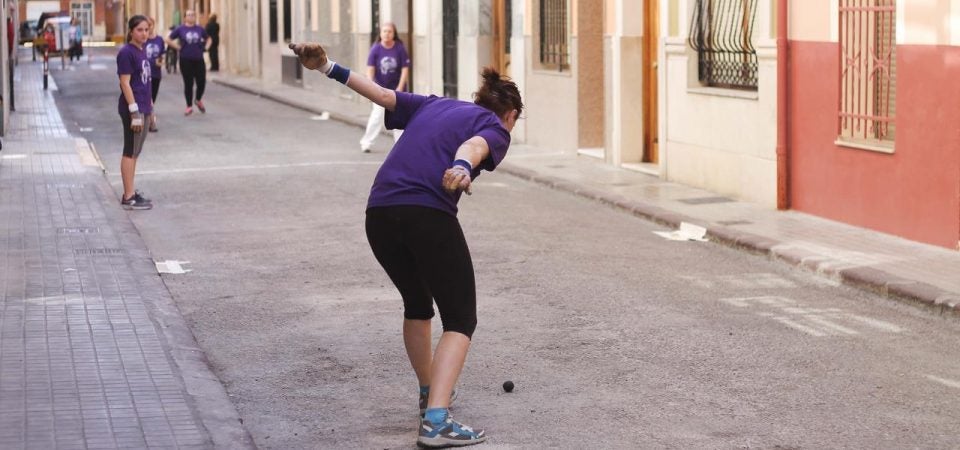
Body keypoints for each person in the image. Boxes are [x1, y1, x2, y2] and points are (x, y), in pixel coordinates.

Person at [289, 42, 522, 448]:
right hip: (425, 213)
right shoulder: (496, 127)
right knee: (461, 318)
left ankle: (428, 392)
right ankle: (436, 420)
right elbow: (476, 146)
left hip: (378, 213)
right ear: (510, 115)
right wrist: (463, 165)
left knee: (418, 303)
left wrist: (326, 65)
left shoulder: (434, 104)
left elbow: (381, 95)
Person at [116, 15, 154, 210]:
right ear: (131, 31)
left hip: (145, 107)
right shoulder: (126, 53)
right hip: (134, 109)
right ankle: (128, 196)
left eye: (146, 30)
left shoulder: (143, 51)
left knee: (136, 152)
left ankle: (131, 191)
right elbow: (125, 82)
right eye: (140, 30)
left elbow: (146, 83)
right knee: (129, 151)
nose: (144, 33)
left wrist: (151, 110)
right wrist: (134, 112)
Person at [359, 21, 409, 153]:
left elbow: (405, 69)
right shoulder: (376, 48)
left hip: (397, 90)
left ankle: (400, 146)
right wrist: (370, 88)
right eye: (384, 31)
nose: (387, 34)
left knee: (399, 118)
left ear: (394, 34)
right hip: (379, 89)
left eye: (389, 31)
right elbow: (370, 70)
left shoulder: (399, 47)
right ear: (380, 34)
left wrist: (400, 87)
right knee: (377, 115)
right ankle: (366, 142)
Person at [167, 10, 210, 115]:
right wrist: (177, 47)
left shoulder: (199, 28)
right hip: (185, 59)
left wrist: (206, 47)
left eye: (193, 15)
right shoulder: (180, 29)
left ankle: (198, 99)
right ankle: (189, 106)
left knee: (201, 81)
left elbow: (208, 39)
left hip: (199, 59)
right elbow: (168, 39)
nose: (191, 17)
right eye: (189, 15)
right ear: (185, 17)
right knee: (188, 83)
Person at [144, 17, 165, 132]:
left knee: (152, 99)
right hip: (144, 75)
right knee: (148, 100)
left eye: (150, 25)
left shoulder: (159, 40)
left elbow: (162, 54)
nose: (148, 28)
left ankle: (148, 120)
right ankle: (152, 123)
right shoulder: (142, 40)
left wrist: (161, 61)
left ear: (153, 25)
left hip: (156, 74)